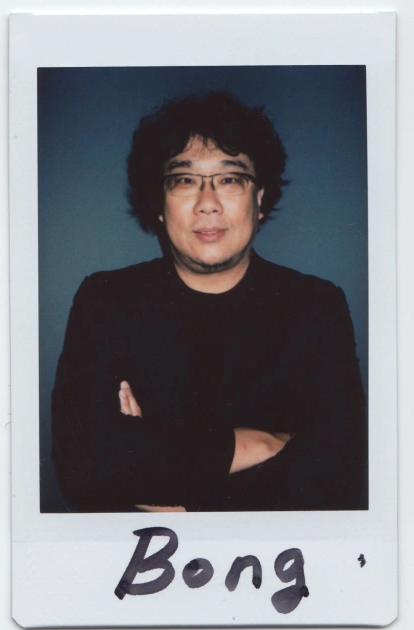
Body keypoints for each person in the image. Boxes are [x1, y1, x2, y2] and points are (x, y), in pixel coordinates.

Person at [52, 91, 367, 513]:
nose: (208, 204)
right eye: (185, 181)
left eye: (230, 179)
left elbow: (337, 479)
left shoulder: (315, 306)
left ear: (259, 199)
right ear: (159, 204)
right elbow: (84, 471)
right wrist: (260, 445)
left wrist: (172, 488)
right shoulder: (106, 301)